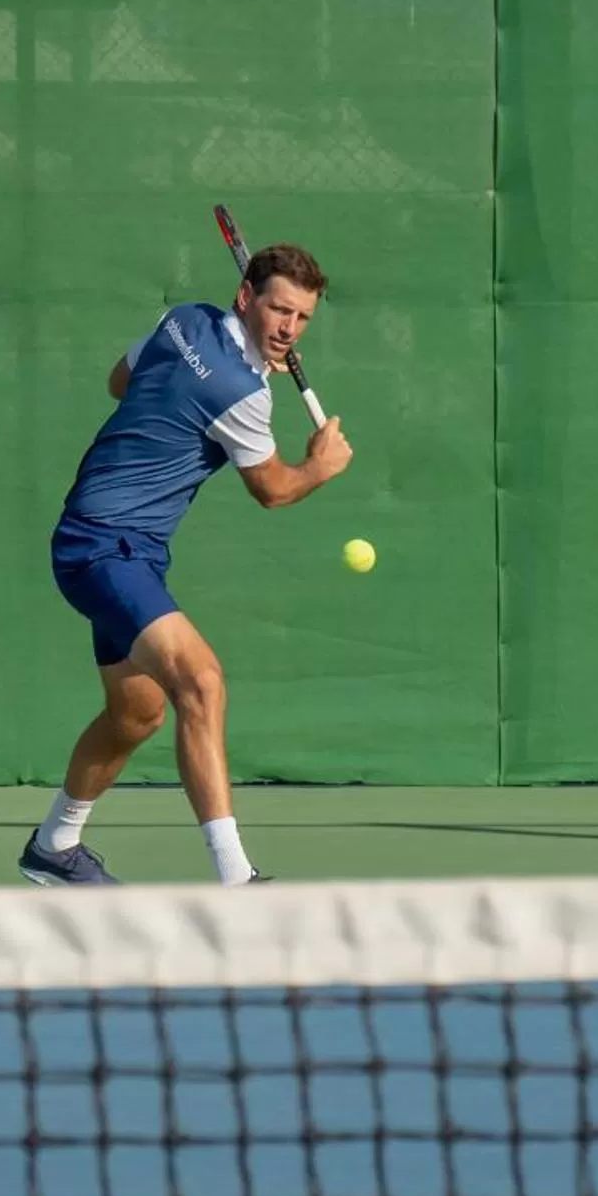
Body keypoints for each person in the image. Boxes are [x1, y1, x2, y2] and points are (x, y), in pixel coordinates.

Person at [20, 243, 353, 886]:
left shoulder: (185, 321)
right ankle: (236, 881)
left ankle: (54, 846)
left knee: (136, 713)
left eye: (302, 317)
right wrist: (320, 466)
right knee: (202, 683)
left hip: (124, 547)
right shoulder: (242, 393)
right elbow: (273, 490)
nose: (289, 328)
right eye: (278, 310)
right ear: (246, 297)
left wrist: (189, 400)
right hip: (104, 546)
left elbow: (120, 382)